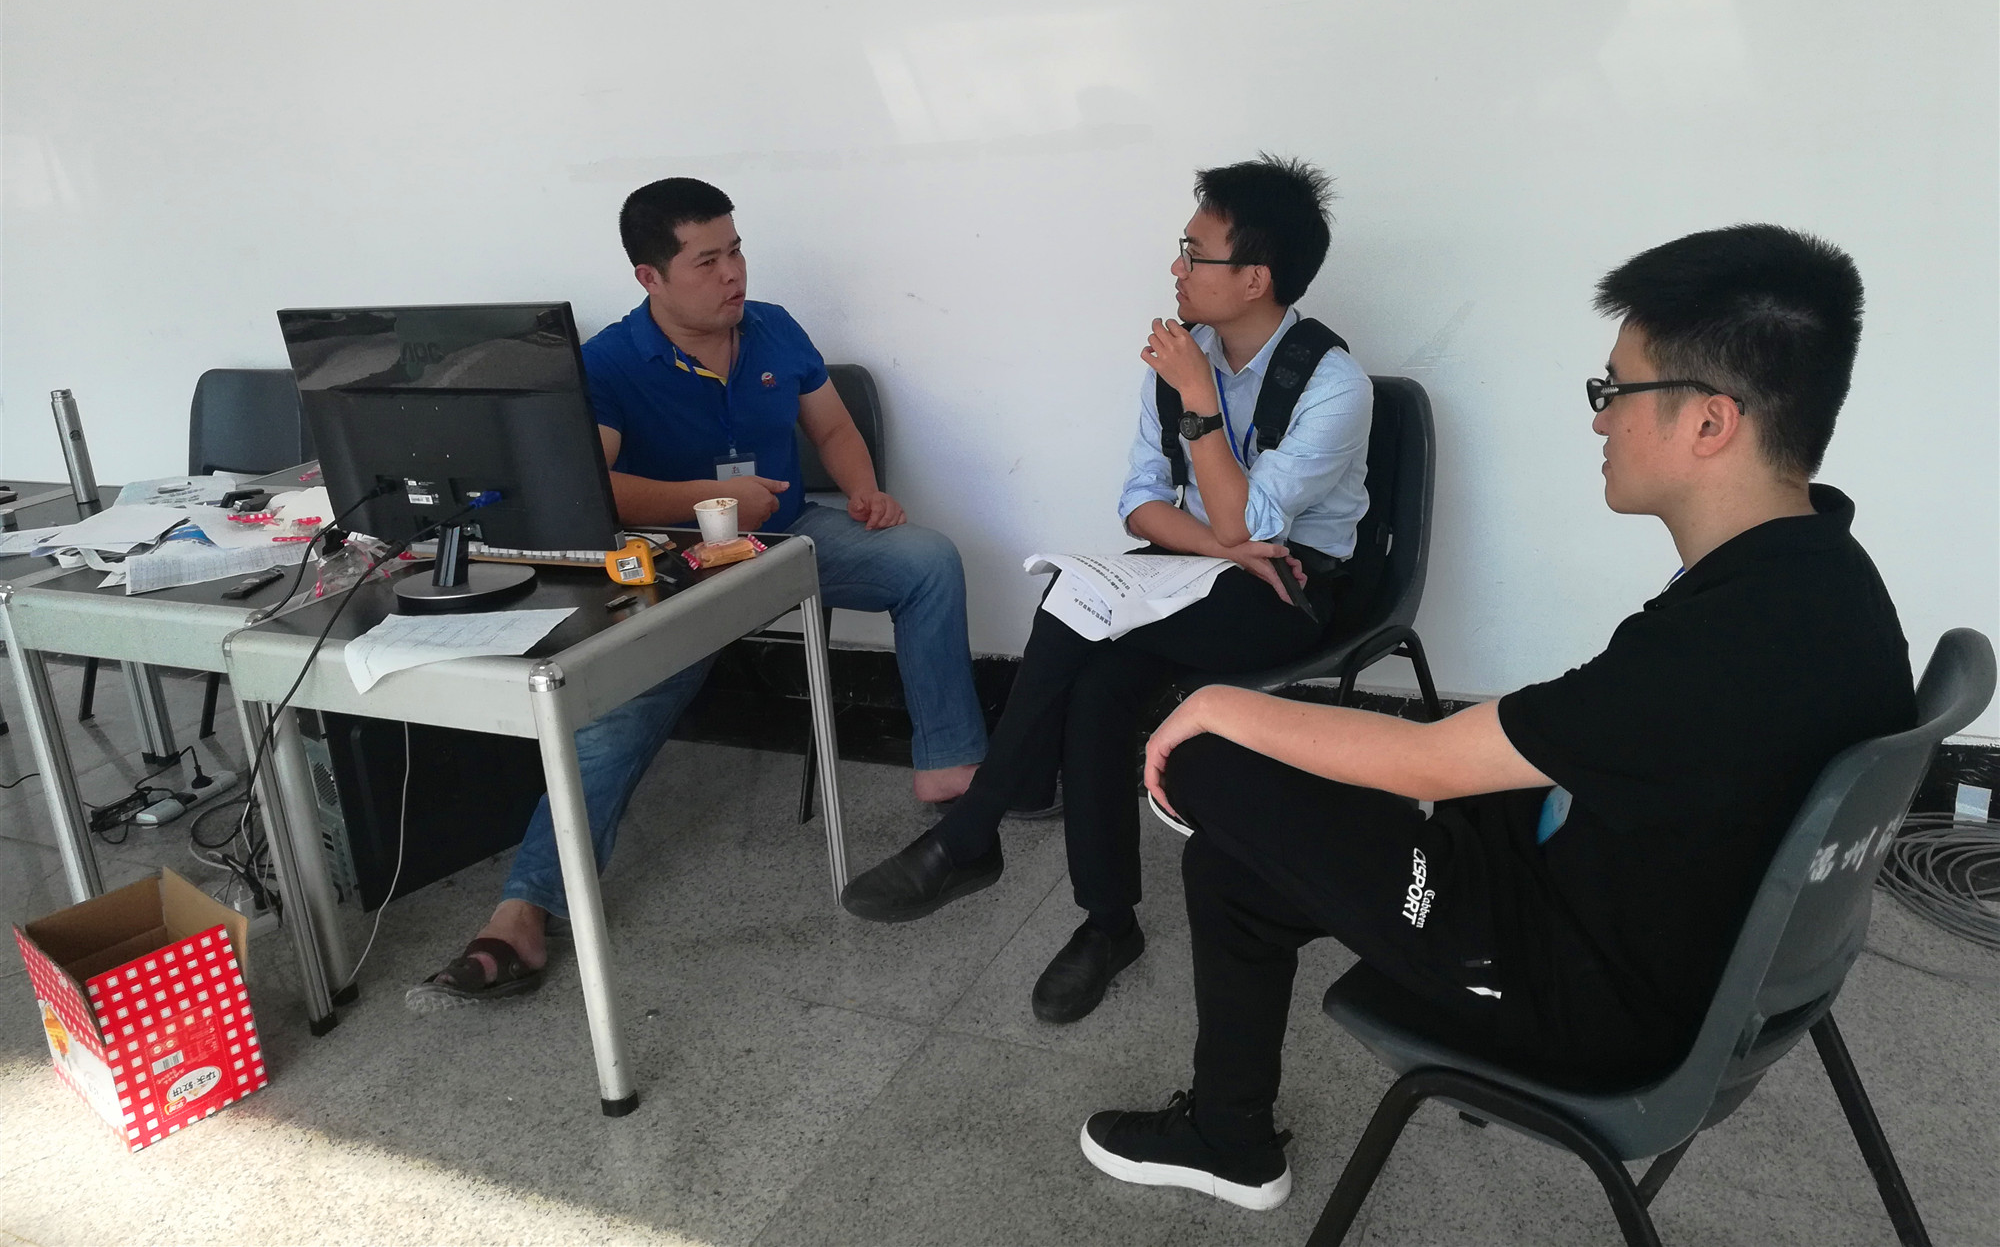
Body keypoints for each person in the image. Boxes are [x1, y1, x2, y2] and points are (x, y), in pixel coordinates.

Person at [1074, 225, 1917, 1212]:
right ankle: (1229, 1137)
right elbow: (1534, 747)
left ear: (1708, 422)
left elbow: (1430, 762)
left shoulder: (1726, 647)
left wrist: (1215, 703)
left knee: (1209, 762)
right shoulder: (1822, 571)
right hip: (1638, 919)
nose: (1598, 421)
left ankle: (1232, 1125)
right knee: (1237, 857)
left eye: (1614, 391)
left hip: (1577, 995)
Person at [408, 177, 990, 1008]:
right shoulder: (611, 362)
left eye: (737, 250)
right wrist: (705, 499)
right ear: (650, 277)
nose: (733, 273)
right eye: (707, 260)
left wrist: (864, 490)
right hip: (676, 561)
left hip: (785, 538)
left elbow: (831, 426)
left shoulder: (774, 327)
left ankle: (950, 771)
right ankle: (525, 908)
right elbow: (596, 488)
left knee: (927, 560)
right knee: (618, 712)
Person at [840, 156, 1373, 1025]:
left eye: (1194, 252)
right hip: (1200, 568)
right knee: (1092, 670)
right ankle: (1105, 922)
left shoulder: (1333, 384)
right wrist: (1218, 544)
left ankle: (975, 836)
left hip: (1291, 589)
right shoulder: (1181, 356)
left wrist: (1200, 406)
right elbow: (1140, 504)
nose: (1176, 268)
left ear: (1255, 278)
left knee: (1080, 636)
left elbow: (1250, 524)